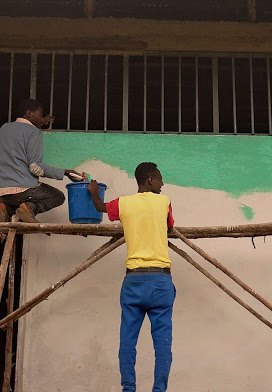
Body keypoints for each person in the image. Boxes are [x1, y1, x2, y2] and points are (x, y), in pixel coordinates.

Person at [88, 162, 175, 392]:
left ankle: (129, 388)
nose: (162, 183)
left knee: (128, 340)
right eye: (159, 178)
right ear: (150, 180)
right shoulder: (164, 201)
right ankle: (159, 390)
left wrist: (94, 191)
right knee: (163, 343)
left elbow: (100, 207)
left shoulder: (123, 203)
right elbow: (169, 227)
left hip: (134, 281)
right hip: (161, 281)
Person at [0, 98, 81, 223]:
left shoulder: (4, 129)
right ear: (29, 113)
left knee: (16, 201)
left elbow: (21, 134)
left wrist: (42, 121)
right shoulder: (34, 132)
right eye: (39, 115)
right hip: (23, 188)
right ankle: (29, 209)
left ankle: (5, 209)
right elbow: (35, 167)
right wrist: (66, 172)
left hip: (2, 192)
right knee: (58, 196)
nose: (41, 119)